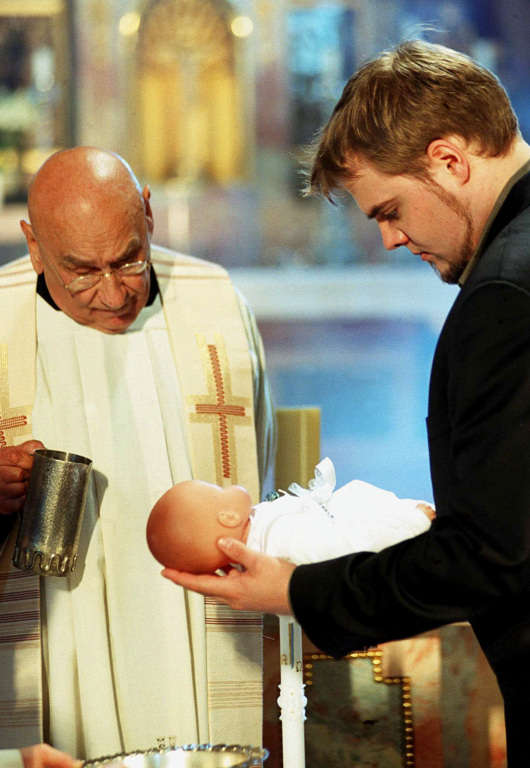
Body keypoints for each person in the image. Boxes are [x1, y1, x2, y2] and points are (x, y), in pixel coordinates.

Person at [161, 39, 530, 766]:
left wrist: (301, 589)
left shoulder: (504, 296)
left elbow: (495, 557)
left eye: (390, 209)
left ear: (450, 160)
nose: (392, 237)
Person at [0, 147, 275, 760]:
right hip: (52, 630)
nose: (112, 292)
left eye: (129, 260)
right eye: (81, 271)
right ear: (34, 245)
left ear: (148, 215)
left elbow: (260, 462)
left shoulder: (215, 304)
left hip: (193, 620)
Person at [147, 457, 434, 573]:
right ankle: (418, 524)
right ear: (228, 518)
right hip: (384, 540)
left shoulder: (261, 532)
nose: (227, 485)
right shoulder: (276, 540)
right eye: (216, 488)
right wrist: (413, 523)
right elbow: (352, 548)